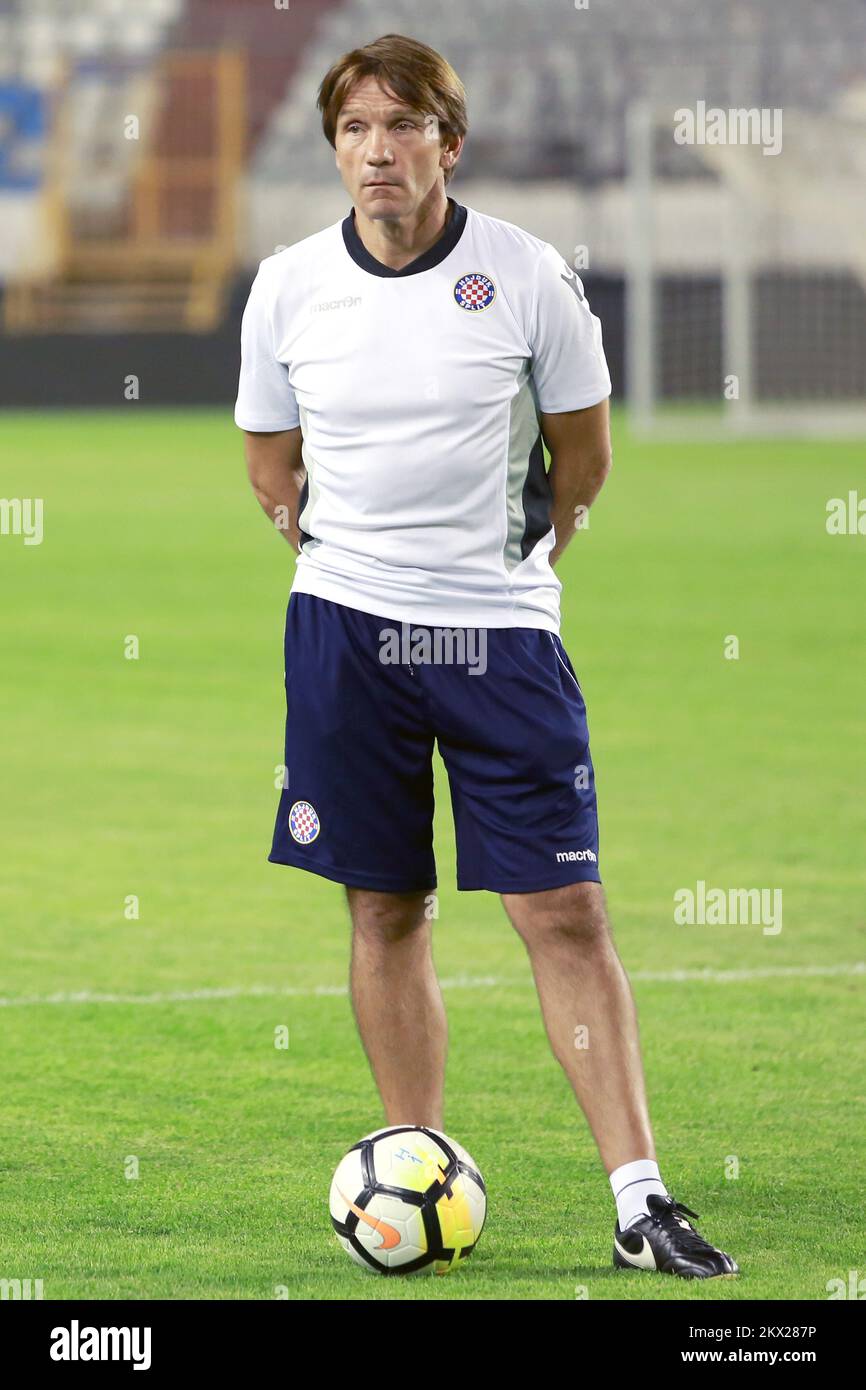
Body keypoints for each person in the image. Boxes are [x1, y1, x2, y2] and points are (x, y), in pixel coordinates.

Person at [235, 32, 738, 1280]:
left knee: (561, 908)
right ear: (334, 149)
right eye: (353, 130)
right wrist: (356, 569)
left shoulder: (525, 278)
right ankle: (415, 1163)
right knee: (383, 903)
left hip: (498, 637)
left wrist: (512, 572)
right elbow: (268, 463)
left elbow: (584, 456)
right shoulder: (288, 284)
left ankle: (639, 1200)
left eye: (400, 127)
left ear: (446, 143)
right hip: (345, 631)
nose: (375, 153)